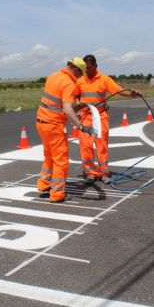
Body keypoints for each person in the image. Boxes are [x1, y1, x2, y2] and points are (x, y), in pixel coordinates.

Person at [76, 54, 142, 184]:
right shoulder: (80, 80)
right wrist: (78, 107)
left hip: (100, 116)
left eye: (89, 68)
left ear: (96, 66)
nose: (87, 70)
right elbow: (76, 95)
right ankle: (90, 173)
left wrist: (132, 94)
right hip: (85, 116)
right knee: (86, 146)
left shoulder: (104, 79)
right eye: (85, 68)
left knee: (102, 146)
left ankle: (104, 173)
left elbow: (119, 91)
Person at [36, 57, 93, 203]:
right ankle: (57, 193)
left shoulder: (53, 76)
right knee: (60, 159)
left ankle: (43, 184)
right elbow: (67, 109)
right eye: (80, 74)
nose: (80, 77)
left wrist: (74, 109)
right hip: (54, 125)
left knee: (49, 155)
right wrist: (80, 126)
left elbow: (57, 103)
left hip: (42, 122)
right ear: (75, 69)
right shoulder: (69, 83)